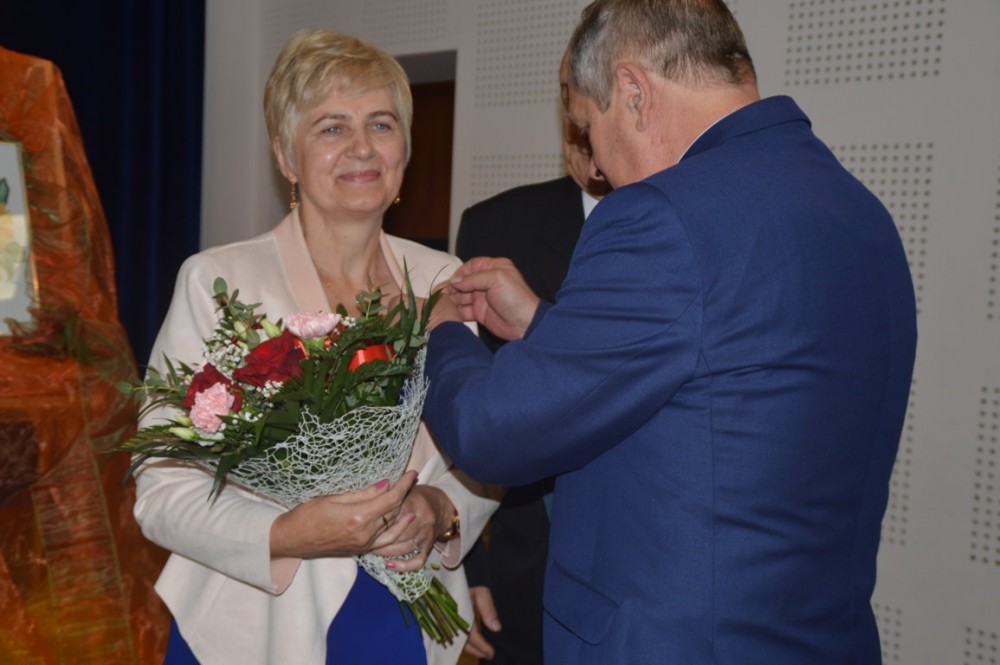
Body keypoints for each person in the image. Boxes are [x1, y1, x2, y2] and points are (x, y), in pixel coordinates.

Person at [423, 1, 918, 663]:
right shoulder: (861, 212)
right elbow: (716, 379)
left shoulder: (662, 214)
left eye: (590, 127)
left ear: (633, 92)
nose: (598, 168)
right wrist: (544, 324)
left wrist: (441, 332)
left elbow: (493, 432)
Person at [132, 29, 497, 665]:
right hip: (256, 618)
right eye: (332, 127)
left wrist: (440, 508)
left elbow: (485, 448)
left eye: (381, 124)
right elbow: (162, 490)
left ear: (405, 148)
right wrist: (287, 532)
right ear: (285, 155)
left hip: (402, 609)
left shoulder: (446, 280)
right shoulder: (218, 283)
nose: (362, 146)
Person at [455, 51, 610, 665]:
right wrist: (466, 564)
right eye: (568, 93)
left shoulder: (700, 229)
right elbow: (464, 405)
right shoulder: (498, 226)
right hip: (523, 587)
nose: (575, 122)